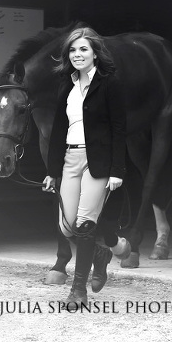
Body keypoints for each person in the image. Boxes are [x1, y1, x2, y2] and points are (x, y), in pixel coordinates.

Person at [42, 26, 131, 308]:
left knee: (84, 224)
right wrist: (52, 170)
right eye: (73, 49)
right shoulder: (66, 84)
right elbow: (58, 129)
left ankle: (77, 290)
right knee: (67, 226)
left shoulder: (109, 83)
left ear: (95, 53)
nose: (77, 54)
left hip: (99, 161)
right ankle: (105, 250)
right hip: (70, 158)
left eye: (83, 49)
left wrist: (117, 170)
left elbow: (119, 128)